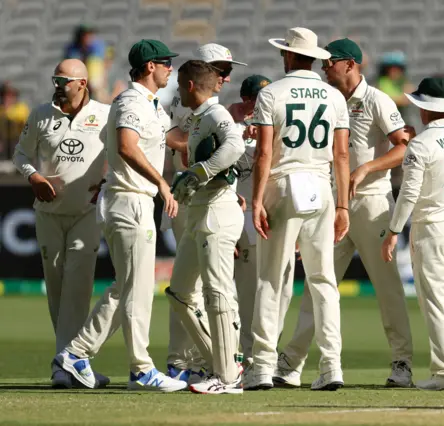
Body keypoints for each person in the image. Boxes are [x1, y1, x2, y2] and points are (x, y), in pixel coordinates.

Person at [276, 38, 414, 388]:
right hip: (332, 204)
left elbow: (404, 145)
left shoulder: (376, 99)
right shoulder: (329, 98)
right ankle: (291, 363)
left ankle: (402, 363)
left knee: (387, 288)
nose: (324, 68)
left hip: (371, 204)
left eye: (330, 63)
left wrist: (367, 169)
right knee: (317, 285)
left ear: (350, 64)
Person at [54, 39, 186, 392]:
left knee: (127, 287)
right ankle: (141, 369)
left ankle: (75, 354)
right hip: (129, 200)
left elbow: (170, 140)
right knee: (136, 289)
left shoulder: (153, 106)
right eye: (164, 63)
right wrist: (162, 182)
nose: (170, 68)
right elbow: (126, 146)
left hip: (135, 201)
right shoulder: (130, 101)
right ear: (148, 67)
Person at [244, 27, 350, 391]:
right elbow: (341, 155)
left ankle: (260, 367)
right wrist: (343, 205)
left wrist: (256, 200)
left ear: (288, 55)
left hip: (283, 184)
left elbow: (263, 153)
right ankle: (331, 366)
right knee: (323, 281)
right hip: (321, 187)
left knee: (272, 278)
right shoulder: (334, 96)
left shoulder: (270, 93)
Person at [381, 77, 444, 391]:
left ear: (426, 109)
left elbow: (408, 193)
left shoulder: (423, 143)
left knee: (436, 303)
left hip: (432, 230)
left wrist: (392, 231)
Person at [13, 59, 109, 389]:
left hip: (86, 212)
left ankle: (64, 365)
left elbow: (122, 152)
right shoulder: (41, 114)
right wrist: (34, 177)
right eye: (55, 78)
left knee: (78, 284)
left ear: (82, 83)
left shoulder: (105, 114)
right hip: (48, 212)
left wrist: (108, 180)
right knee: (55, 287)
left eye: (64, 80)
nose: (58, 85)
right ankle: (72, 363)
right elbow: (20, 155)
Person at [162, 43, 247, 385]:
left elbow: (236, 147)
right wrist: (191, 180)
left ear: (191, 86)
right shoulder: (198, 118)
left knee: (216, 292)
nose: (179, 92)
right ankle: (223, 362)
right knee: (180, 292)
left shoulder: (215, 113)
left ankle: (226, 376)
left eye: (181, 86)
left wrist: (199, 172)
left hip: (217, 210)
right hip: (199, 211)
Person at [228, 75, 295, 368]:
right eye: (257, 99)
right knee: (248, 291)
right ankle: (247, 354)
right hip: (244, 218)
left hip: (275, 217)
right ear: (246, 100)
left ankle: (266, 351)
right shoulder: (230, 128)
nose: (263, 105)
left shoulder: (277, 129)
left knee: (282, 289)